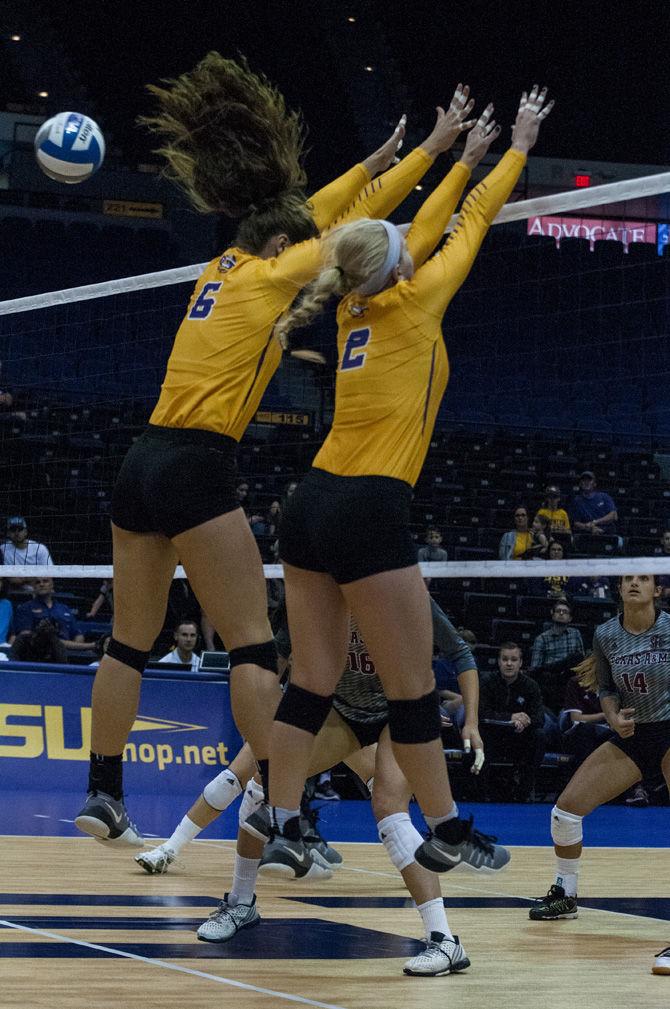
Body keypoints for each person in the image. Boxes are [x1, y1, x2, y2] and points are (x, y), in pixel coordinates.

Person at [73, 52, 481, 849]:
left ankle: (103, 790)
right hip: (195, 464)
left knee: (130, 638)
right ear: (283, 248)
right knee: (254, 647)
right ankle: (276, 810)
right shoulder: (273, 275)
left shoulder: (216, 268)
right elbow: (344, 233)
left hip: (139, 462)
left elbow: (323, 211)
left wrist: (375, 162)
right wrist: (428, 157)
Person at [267, 85, 553, 874]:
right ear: (399, 267)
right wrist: (513, 149)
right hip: (366, 504)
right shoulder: (419, 297)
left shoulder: (355, 303)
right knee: (411, 689)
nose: (411, 244)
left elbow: (416, 231)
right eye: (402, 244)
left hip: (310, 503)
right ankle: (451, 827)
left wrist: (454, 155)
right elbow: (465, 226)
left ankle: (282, 813)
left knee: (311, 680)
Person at [141, 600, 508, 977]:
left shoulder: (400, 589)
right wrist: (267, 721)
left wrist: (472, 723)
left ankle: (445, 941)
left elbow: (461, 653)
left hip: (399, 712)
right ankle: (240, 902)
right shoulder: (315, 592)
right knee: (265, 781)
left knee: (391, 811)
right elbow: (277, 662)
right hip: (339, 712)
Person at [528, 574, 670, 977]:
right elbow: (606, 686)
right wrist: (610, 715)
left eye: (644, 579)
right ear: (619, 589)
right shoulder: (606, 634)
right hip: (633, 732)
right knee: (566, 812)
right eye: (628, 579)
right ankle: (565, 894)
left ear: (657, 590)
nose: (635, 584)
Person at [478, 642, 545, 802]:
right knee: (478, 733)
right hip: (492, 736)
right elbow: (481, 713)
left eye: (514, 659)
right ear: (499, 661)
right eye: (505, 659)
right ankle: (481, 793)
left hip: (519, 738)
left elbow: (539, 717)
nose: (509, 663)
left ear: (520, 663)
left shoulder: (530, 685)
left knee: (539, 735)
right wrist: (510, 718)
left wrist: (525, 721)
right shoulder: (487, 682)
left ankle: (524, 792)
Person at [529, 599, 585, 713]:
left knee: (575, 659)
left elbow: (581, 662)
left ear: (570, 618)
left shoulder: (575, 634)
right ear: (552, 614)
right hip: (551, 681)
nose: (561, 613)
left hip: (569, 678)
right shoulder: (541, 639)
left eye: (565, 612)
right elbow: (535, 669)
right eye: (558, 611)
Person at [559, 656, 614, 767]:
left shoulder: (614, 686)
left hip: (606, 730)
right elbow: (576, 718)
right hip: (578, 733)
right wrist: (604, 715)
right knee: (587, 730)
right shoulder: (576, 683)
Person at [14, 577, 91, 652]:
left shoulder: (64, 608)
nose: (41, 584)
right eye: (37, 582)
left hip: (68, 654)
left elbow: (78, 635)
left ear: (52, 584)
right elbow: (26, 637)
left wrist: (75, 648)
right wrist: (89, 646)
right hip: (39, 655)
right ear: (33, 587)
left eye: (45, 581)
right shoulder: (25, 608)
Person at [570, 470, 618, 538]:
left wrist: (595, 522)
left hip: (607, 533)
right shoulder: (577, 501)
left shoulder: (604, 496)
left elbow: (613, 516)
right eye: (584, 480)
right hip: (587, 534)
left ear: (594, 484)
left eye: (589, 480)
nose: (586, 482)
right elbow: (576, 522)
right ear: (580, 484)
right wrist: (591, 528)